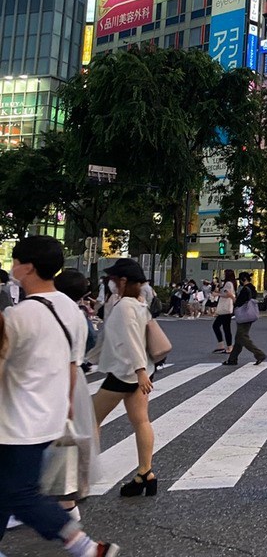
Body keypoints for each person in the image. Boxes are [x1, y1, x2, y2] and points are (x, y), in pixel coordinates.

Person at [1, 237, 120, 555]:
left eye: (15, 261)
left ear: (27, 267)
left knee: (21, 494)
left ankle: (85, 546)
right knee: (6, 489)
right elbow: (72, 366)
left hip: (15, 422)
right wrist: (65, 408)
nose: (12, 267)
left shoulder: (18, 316)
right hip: (50, 417)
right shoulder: (72, 310)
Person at [91, 258, 158, 497]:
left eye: (112, 279)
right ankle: (145, 473)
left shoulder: (124, 306)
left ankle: (82, 476)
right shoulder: (140, 304)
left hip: (125, 373)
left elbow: (130, 339)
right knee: (141, 421)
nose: (109, 282)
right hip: (140, 373)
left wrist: (139, 370)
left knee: (91, 418)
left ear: (123, 280)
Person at [52, 270, 101, 515]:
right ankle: (78, 488)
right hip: (78, 376)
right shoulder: (80, 312)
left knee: (60, 437)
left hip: (61, 377)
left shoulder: (51, 308)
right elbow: (91, 340)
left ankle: (65, 495)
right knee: (77, 434)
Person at [211, 269, 235, 356]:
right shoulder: (229, 283)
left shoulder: (228, 284)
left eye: (225, 274)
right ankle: (223, 345)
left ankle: (228, 346)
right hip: (225, 308)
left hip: (225, 309)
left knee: (222, 327)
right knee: (222, 327)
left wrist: (217, 294)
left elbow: (228, 294)